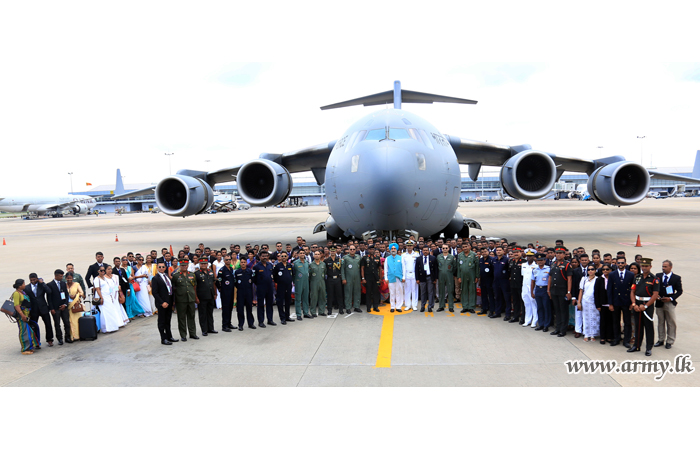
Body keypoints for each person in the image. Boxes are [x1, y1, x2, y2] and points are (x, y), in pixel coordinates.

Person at [629, 258, 660, 356]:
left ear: (650, 267)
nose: (644, 268)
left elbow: (655, 295)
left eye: (646, 266)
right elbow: (632, 291)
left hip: (648, 305)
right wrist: (634, 304)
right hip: (637, 304)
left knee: (648, 327)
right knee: (638, 326)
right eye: (643, 266)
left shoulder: (654, 279)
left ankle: (648, 348)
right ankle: (636, 346)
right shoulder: (637, 277)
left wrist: (646, 306)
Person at [655, 260, 682, 349]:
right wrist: (656, 295)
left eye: (665, 267)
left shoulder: (676, 278)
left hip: (669, 303)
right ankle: (661, 339)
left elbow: (679, 291)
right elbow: (654, 287)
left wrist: (671, 298)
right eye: (663, 266)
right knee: (660, 321)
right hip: (659, 302)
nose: (663, 268)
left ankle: (670, 340)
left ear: (670, 267)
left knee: (671, 322)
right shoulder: (658, 276)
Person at [607, 256, 634, 347]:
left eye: (622, 263)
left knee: (627, 322)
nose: (620, 264)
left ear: (625, 264)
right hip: (615, 302)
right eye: (619, 263)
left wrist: (631, 303)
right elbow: (609, 290)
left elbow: (632, 290)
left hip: (626, 302)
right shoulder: (612, 274)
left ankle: (626, 340)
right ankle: (617, 339)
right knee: (615, 321)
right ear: (616, 264)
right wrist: (610, 303)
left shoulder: (630, 274)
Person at [172, 258, 199, 341]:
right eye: (182, 265)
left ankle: (192, 333)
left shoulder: (192, 274)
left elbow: (194, 286)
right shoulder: (176, 275)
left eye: (186, 265)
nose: (184, 266)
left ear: (188, 266)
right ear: (180, 265)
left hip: (190, 298)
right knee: (181, 317)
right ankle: (183, 335)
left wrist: (196, 297)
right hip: (181, 299)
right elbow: (173, 288)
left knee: (191, 316)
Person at [548, 247, 572, 337]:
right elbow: (550, 277)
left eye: (561, 253)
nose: (558, 254)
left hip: (563, 291)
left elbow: (569, 279)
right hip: (554, 290)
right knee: (557, 310)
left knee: (563, 311)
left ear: (564, 254)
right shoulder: (553, 264)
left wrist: (569, 292)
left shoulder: (567, 265)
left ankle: (563, 329)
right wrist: (548, 289)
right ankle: (557, 328)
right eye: (557, 253)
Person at [24, 273, 54, 347]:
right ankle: (36, 341)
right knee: (34, 326)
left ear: (37, 278)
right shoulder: (27, 288)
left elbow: (49, 291)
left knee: (48, 324)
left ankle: (49, 339)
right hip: (34, 310)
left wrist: (42, 283)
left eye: (34, 279)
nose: (33, 281)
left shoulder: (42, 286)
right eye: (31, 280)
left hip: (43, 308)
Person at [93, 266, 124, 333]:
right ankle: (106, 328)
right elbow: (97, 289)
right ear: (98, 271)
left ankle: (112, 326)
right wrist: (101, 298)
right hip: (103, 297)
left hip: (108, 296)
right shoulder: (96, 279)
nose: (103, 272)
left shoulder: (105, 278)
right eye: (101, 271)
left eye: (104, 270)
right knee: (105, 312)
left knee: (111, 311)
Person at [12, 279, 40, 354]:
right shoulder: (16, 294)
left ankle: (29, 347)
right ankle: (24, 349)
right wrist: (22, 315)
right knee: (24, 331)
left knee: (29, 331)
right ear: (19, 286)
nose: (25, 285)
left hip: (26, 315)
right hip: (22, 316)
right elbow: (17, 306)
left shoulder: (23, 292)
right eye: (23, 284)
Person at [152, 262, 177, 345]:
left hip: (169, 301)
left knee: (168, 320)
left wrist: (172, 300)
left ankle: (169, 336)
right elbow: (155, 293)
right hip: (162, 303)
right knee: (162, 321)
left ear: (165, 267)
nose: (161, 268)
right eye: (160, 267)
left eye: (163, 267)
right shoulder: (155, 278)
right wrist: (162, 302)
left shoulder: (166, 276)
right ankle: (163, 338)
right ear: (157, 268)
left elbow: (170, 289)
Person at [47, 269, 72, 345]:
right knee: (57, 324)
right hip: (55, 308)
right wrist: (51, 308)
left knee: (67, 323)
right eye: (60, 276)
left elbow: (66, 295)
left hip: (63, 307)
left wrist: (65, 304)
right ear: (56, 276)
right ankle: (59, 338)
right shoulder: (50, 285)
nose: (62, 277)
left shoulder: (63, 283)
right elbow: (49, 298)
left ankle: (67, 337)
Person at [252, 250, 277, 326]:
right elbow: (254, 278)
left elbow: (272, 275)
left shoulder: (270, 265)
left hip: (269, 287)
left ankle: (270, 320)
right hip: (261, 287)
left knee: (269, 304)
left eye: (266, 256)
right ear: (259, 257)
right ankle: (261, 321)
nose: (264, 257)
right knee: (260, 305)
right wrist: (259, 284)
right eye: (263, 256)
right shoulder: (256, 266)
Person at [195, 258, 218, 334]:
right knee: (203, 314)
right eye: (202, 264)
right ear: (199, 264)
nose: (203, 265)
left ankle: (210, 328)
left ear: (207, 264)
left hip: (210, 296)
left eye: (205, 263)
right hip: (202, 297)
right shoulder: (197, 273)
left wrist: (215, 293)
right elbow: (195, 286)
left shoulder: (210, 271)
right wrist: (196, 297)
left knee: (210, 313)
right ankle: (204, 330)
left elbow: (213, 283)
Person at [578, 265, 600, 342]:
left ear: (595, 270)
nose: (590, 271)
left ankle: (593, 334)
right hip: (585, 301)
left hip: (594, 301)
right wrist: (579, 302)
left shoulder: (598, 279)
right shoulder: (584, 279)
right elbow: (581, 291)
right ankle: (586, 334)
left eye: (592, 269)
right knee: (586, 317)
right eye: (589, 269)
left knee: (595, 317)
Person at [531, 255, 551, 332]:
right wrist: (532, 292)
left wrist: (549, 291)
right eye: (538, 260)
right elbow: (532, 281)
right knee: (539, 307)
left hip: (545, 289)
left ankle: (546, 325)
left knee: (546, 307)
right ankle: (541, 324)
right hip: (538, 289)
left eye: (541, 260)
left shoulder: (548, 269)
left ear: (544, 261)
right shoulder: (534, 269)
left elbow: (550, 280)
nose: (540, 262)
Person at [457, 242, 479, 314]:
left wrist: (476, 276)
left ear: (469, 246)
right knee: (464, 290)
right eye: (463, 247)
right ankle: (465, 306)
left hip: (472, 275)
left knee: (472, 291)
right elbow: (458, 267)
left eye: (466, 246)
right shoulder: (460, 255)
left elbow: (477, 267)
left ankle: (471, 307)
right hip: (463, 275)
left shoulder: (474, 255)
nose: (465, 248)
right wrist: (459, 276)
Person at [595, 264, 614, 345]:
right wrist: (598, 305)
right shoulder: (599, 279)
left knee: (610, 321)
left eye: (607, 269)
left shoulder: (613, 279)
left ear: (610, 270)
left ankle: (609, 336)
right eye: (603, 269)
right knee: (603, 321)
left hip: (611, 304)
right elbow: (596, 293)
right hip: (602, 303)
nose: (605, 271)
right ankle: (602, 337)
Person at [273, 252, 294, 324]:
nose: (284, 257)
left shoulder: (290, 265)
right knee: (280, 302)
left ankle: (287, 316)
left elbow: (292, 274)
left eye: (285, 256)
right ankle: (282, 318)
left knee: (288, 301)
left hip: (288, 286)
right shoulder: (277, 266)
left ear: (287, 257)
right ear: (280, 257)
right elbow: (274, 275)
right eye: (282, 256)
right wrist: (278, 281)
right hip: (281, 286)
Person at [216, 255, 236, 331]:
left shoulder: (231, 269)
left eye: (229, 259)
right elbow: (218, 280)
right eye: (226, 260)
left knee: (230, 308)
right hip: (225, 292)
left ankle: (229, 323)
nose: (228, 261)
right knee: (225, 309)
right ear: (224, 261)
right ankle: (224, 325)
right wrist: (220, 289)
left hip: (231, 291)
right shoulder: (222, 270)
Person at [235, 258, 256, 330]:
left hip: (248, 292)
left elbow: (253, 280)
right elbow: (235, 282)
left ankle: (251, 323)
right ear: (240, 263)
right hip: (240, 292)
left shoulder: (249, 271)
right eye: (242, 262)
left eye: (244, 262)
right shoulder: (237, 272)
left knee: (249, 308)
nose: (243, 263)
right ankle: (240, 325)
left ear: (246, 263)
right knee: (240, 309)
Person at [64, 272, 86, 340]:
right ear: (65, 278)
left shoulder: (76, 284)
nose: (69, 279)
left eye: (70, 278)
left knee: (76, 321)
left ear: (72, 278)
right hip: (68, 306)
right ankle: (71, 336)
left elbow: (82, 293)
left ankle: (78, 335)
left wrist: (76, 296)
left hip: (75, 306)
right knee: (70, 321)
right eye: (68, 278)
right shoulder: (64, 285)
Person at [416, 245, 437, 312]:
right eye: (424, 250)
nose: (425, 251)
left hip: (430, 277)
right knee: (423, 292)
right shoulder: (419, 258)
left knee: (430, 292)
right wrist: (417, 278)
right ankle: (422, 306)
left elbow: (435, 269)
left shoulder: (433, 258)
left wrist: (435, 278)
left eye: (426, 250)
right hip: (422, 277)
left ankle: (430, 306)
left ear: (429, 251)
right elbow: (416, 269)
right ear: (422, 251)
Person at [342, 245, 362, 313]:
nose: (352, 250)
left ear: (356, 250)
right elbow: (342, 269)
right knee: (348, 293)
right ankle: (348, 307)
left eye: (353, 249)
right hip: (348, 278)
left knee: (357, 292)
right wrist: (343, 278)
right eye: (351, 249)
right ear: (349, 250)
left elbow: (361, 268)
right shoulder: (345, 258)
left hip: (357, 278)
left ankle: (357, 306)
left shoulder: (358, 257)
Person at [437, 244, 457, 312]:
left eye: (446, 248)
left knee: (450, 291)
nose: (445, 249)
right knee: (441, 291)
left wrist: (451, 273)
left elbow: (454, 266)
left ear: (448, 249)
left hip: (449, 275)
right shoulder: (439, 257)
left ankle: (451, 306)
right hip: (441, 275)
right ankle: (441, 306)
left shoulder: (452, 257)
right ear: (441, 249)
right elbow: (437, 266)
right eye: (443, 248)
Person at [521, 249, 538, 328]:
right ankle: (527, 320)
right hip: (524, 287)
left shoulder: (536, 266)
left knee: (534, 304)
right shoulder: (524, 265)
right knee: (527, 304)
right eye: (528, 256)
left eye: (530, 256)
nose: (529, 257)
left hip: (532, 287)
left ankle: (534, 321)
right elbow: (523, 276)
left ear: (534, 257)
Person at [384, 243, 403, 313]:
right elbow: (386, 269)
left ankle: (398, 306)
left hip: (399, 277)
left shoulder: (401, 258)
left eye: (394, 248)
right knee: (392, 293)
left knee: (399, 292)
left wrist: (403, 277)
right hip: (391, 278)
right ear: (390, 250)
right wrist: (386, 278)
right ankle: (392, 306)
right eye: (392, 248)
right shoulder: (387, 259)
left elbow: (403, 268)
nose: (393, 250)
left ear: (397, 249)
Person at [401, 240, 419, 311]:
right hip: (406, 273)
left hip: (414, 273)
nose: (409, 247)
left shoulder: (417, 254)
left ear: (413, 246)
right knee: (407, 290)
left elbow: (418, 266)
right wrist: (403, 276)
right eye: (408, 245)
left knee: (414, 290)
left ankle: (414, 305)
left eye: (410, 245)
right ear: (406, 246)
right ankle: (408, 305)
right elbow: (402, 266)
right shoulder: (403, 255)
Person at [292, 250, 311, 319]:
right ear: (298, 254)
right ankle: (298, 314)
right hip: (298, 282)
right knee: (298, 298)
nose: (302, 254)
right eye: (301, 253)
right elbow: (293, 274)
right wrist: (294, 282)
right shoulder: (295, 263)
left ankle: (306, 313)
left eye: (303, 253)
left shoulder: (307, 262)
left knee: (306, 298)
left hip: (306, 282)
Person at [324, 247, 343, 314]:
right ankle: (329, 309)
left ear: (335, 251)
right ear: (329, 251)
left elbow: (341, 269)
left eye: (334, 251)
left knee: (339, 294)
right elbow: (325, 271)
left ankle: (341, 309)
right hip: (330, 279)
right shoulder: (326, 260)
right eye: (331, 251)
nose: (333, 252)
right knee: (330, 295)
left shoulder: (339, 260)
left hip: (337, 279)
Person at [309, 250, 327, 317]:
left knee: (322, 297)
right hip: (314, 282)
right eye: (315, 254)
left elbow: (325, 272)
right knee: (314, 297)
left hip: (322, 282)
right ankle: (313, 312)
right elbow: (309, 275)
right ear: (313, 256)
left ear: (320, 255)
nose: (317, 255)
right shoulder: (311, 265)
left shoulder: (323, 264)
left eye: (318, 254)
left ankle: (321, 311)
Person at [478, 247, 494, 316]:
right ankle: (484, 309)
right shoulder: (481, 260)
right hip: (483, 280)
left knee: (491, 296)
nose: (484, 253)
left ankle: (491, 310)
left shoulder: (492, 259)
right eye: (482, 252)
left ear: (488, 251)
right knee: (483, 295)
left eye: (485, 251)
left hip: (490, 280)